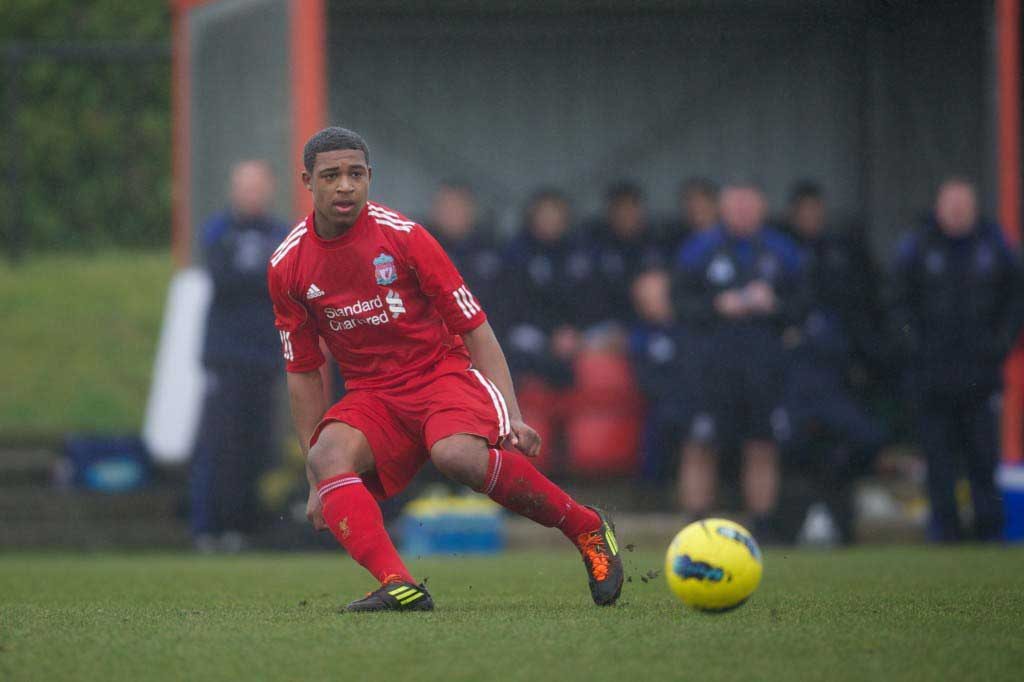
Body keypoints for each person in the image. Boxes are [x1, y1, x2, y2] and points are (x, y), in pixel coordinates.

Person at [267, 127, 623, 611]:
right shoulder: (287, 266)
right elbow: (304, 371)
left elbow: (476, 327)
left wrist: (511, 415)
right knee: (327, 457)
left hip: (439, 374)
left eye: (355, 174)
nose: (345, 186)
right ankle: (401, 586)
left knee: (457, 456)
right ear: (308, 182)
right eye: (331, 176)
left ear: (370, 177)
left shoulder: (406, 238)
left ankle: (585, 527)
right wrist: (315, 479)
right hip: (374, 394)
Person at [891, 178, 1024, 542]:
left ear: (975, 207)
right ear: (939, 207)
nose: (957, 211)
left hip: (980, 372)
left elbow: (1015, 300)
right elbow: (897, 303)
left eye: (964, 205)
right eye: (951, 205)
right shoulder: (917, 247)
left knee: (983, 456)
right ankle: (944, 529)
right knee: (938, 457)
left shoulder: (995, 246)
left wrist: (1001, 344)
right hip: (930, 374)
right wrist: (913, 346)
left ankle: (989, 529)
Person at [673, 181, 807, 539]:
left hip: (764, 368)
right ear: (723, 208)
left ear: (762, 209)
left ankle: (763, 529)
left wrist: (774, 304)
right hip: (710, 368)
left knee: (762, 445)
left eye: (750, 206)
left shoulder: (783, 251)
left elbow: (804, 305)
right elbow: (679, 304)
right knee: (701, 444)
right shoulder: (699, 249)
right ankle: (695, 527)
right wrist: (717, 305)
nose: (743, 213)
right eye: (736, 206)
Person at [191, 160, 289, 552]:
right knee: (219, 444)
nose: (250, 194)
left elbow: (285, 282)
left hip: (264, 359)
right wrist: (262, 281)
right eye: (243, 187)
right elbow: (225, 279)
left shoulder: (280, 233)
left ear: (268, 190)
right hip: (226, 358)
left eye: (257, 187)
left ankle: (244, 527)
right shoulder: (217, 231)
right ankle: (207, 527)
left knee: (257, 445)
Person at [782, 181, 886, 543]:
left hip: (836, 376)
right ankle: (789, 525)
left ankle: (839, 517)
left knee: (862, 439)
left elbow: (866, 308)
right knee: (791, 447)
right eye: (804, 210)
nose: (811, 217)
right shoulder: (781, 252)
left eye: (816, 209)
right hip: (794, 379)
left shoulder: (843, 252)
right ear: (793, 214)